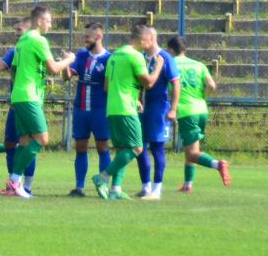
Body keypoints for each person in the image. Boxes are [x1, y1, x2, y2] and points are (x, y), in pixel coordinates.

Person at [0, 5, 75, 199]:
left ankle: (14, 184)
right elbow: (54, 69)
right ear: (40, 21)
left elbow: (13, 69)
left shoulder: (22, 40)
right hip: (29, 96)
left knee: (24, 141)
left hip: (19, 95)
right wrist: (69, 59)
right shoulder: (38, 40)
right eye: (48, 21)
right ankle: (15, 182)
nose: (50, 25)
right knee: (42, 139)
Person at [92, 24, 168, 200]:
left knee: (122, 149)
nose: (151, 44)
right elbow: (149, 83)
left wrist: (134, 99)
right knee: (136, 148)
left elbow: (107, 86)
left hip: (113, 108)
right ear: (143, 39)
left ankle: (115, 190)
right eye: (150, 40)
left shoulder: (115, 55)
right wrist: (159, 66)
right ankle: (103, 177)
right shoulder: (135, 56)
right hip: (126, 109)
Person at [168, 37, 231, 192]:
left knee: (192, 153)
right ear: (185, 49)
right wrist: (203, 94)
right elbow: (211, 85)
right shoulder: (199, 65)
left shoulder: (170, 64)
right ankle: (187, 184)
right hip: (202, 110)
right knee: (191, 149)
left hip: (186, 111)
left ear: (170, 50)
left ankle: (218, 164)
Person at [0, 18, 36, 189]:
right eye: (15, 30)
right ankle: (13, 183)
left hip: (29, 105)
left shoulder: (36, 50)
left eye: (19, 30)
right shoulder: (14, 51)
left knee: (27, 143)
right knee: (10, 144)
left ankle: (27, 186)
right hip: (15, 106)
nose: (16, 34)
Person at [65, 22, 112, 197]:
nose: (84, 39)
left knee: (103, 147)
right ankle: (79, 187)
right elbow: (67, 76)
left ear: (98, 36)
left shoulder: (109, 59)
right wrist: (65, 63)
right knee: (80, 147)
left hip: (100, 110)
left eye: (87, 37)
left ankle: (103, 186)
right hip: (81, 110)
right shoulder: (82, 55)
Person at [136, 26, 180, 200]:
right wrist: (138, 99)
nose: (140, 42)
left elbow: (176, 83)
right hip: (142, 109)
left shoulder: (165, 58)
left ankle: (157, 189)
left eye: (143, 39)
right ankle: (145, 187)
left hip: (158, 109)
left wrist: (173, 109)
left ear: (151, 38)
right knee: (139, 147)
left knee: (156, 148)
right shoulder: (141, 57)